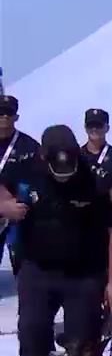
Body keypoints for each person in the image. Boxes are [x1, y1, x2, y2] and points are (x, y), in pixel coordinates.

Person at [0, 125, 112, 356]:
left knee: (82, 340)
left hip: (83, 271)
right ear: (44, 157)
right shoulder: (27, 168)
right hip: (37, 268)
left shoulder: (96, 178)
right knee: (32, 332)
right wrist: (5, 205)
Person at [0, 94, 41, 277]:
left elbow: (40, 180)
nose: (5, 117)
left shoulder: (29, 146)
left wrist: (22, 205)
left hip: (19, 214)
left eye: (9, 113)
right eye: (1, 112)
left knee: (23, 266)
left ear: (16, 116)